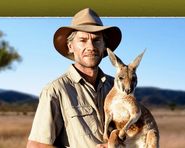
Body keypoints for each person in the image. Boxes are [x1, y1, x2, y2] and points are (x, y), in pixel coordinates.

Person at [27, 8, 122, 148]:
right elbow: (36, 146)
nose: (91, 47)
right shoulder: (55, 90)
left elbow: (134, 133)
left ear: (104, 46)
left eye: (96, 40)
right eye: (83, 40)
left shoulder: (116, 87)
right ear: (70, 46)